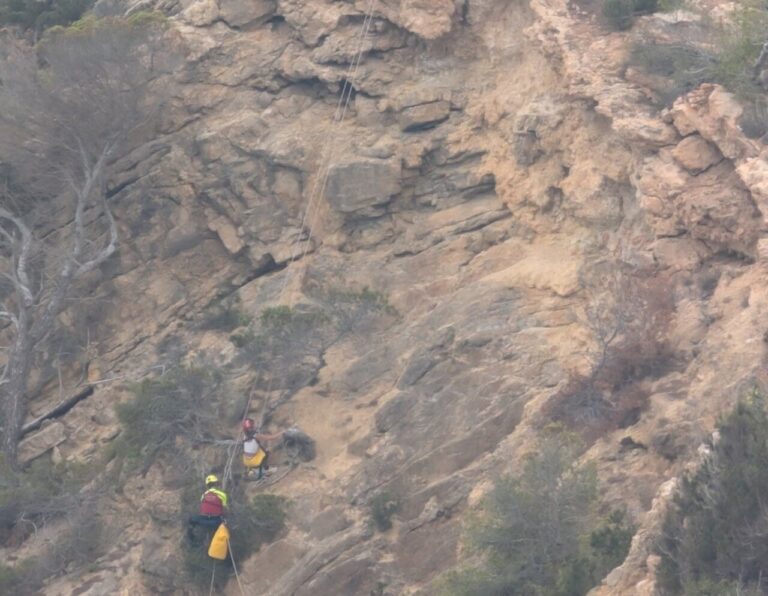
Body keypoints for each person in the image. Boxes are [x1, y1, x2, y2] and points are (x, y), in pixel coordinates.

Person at [187, 474, 229, 544]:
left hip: (203, 520)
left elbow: (203, 507)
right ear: (216, 484)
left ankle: (192, 541)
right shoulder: (222, 494)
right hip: (216, 521)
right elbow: (225, 508)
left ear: (207, 485)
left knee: (191, 520)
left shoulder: (203, 495)